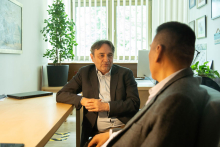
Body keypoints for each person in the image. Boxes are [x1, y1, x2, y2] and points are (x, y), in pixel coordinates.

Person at [88, 22, 210, 147]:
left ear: (158, 51)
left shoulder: (176, 100)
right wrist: (111, 134)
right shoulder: (180, 87)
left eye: (150, 48)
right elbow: (146, 128)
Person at [56, 40, 140, 147]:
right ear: (92, 57)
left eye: (110, 55)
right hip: (96, 132)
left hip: (123, 128)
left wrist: (106, 106)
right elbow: (61, 94)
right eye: (101, 55)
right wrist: (83, 100)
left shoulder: (125, 73)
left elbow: (134, 103)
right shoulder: (84, 73)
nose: (106, 59)